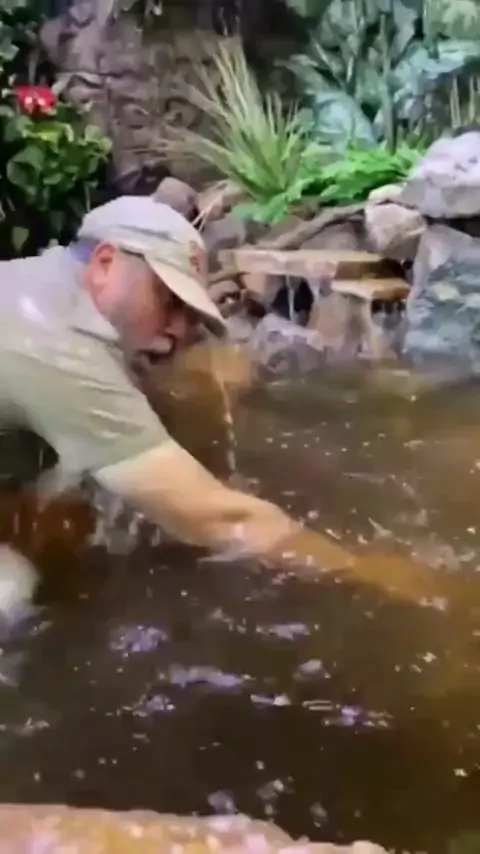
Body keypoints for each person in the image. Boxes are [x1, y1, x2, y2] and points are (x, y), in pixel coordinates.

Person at [0, 195, 442, 600]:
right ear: (104, 264)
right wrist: (366, 570)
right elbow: (220, 519)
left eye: (190, 314)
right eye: (169, 299)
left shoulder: (36, 286)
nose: (179, 330)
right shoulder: (57, 347)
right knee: (12, 589)